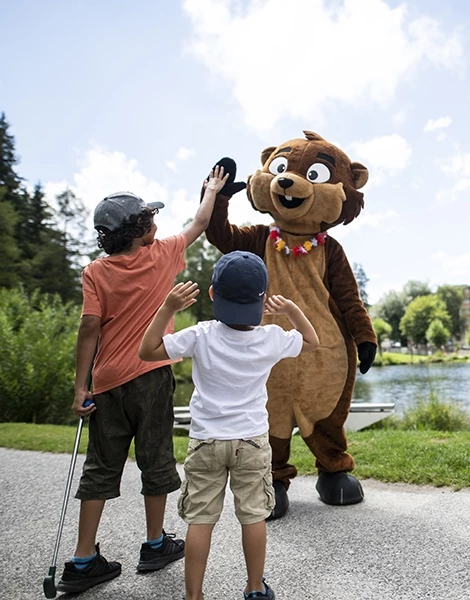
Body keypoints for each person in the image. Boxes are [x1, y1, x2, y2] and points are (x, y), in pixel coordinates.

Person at [56, 166, 229, 594]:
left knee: (100, 465)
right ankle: (154, 544)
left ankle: (82, 560)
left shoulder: (96, 272)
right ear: (139, 230)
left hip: (108, 381)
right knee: (155, 459)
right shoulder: (162, 253)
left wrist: (82, 387)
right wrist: (210, 190)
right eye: (150, 218)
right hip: (151, 375)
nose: (157, 223)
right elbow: (201, 223)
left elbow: (89, 329)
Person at [138, 250, 320, 600]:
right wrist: (291, 310)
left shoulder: (200, 335)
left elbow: (148, 351)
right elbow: (312, 341)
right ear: (262, 299)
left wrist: (168, 308)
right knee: (252, 516)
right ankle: (254, 588)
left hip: (206, 441)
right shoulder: (270, 338)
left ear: (212, 294)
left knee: (200, 520)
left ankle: (194, 596)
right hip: (251, 441)